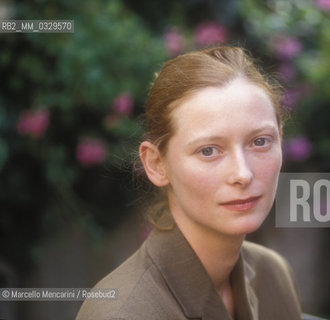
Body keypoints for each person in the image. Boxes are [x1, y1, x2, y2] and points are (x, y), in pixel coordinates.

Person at [76, 46, 302, 320]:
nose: (243, 174)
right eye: (208, 150)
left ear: (280, 138)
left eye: (260, 142)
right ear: (157, 164)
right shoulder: (124, 313)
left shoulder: (272, 276)